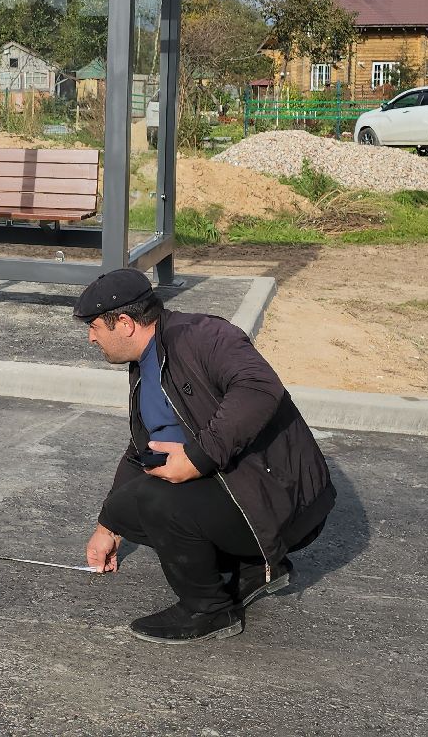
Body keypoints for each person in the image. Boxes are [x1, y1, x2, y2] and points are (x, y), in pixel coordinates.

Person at [76, 268, 335, 644]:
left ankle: (208, 608)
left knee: (154, 500)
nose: (90, 337)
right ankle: (254, 569)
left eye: (95, 326)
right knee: (125, 506)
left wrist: (198, 457)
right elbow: (144, 449)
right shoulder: (148, 362)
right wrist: (107, 527)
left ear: (126, 323)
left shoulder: (204, 336)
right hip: (248, 493)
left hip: (281, 505)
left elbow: (259, 388)